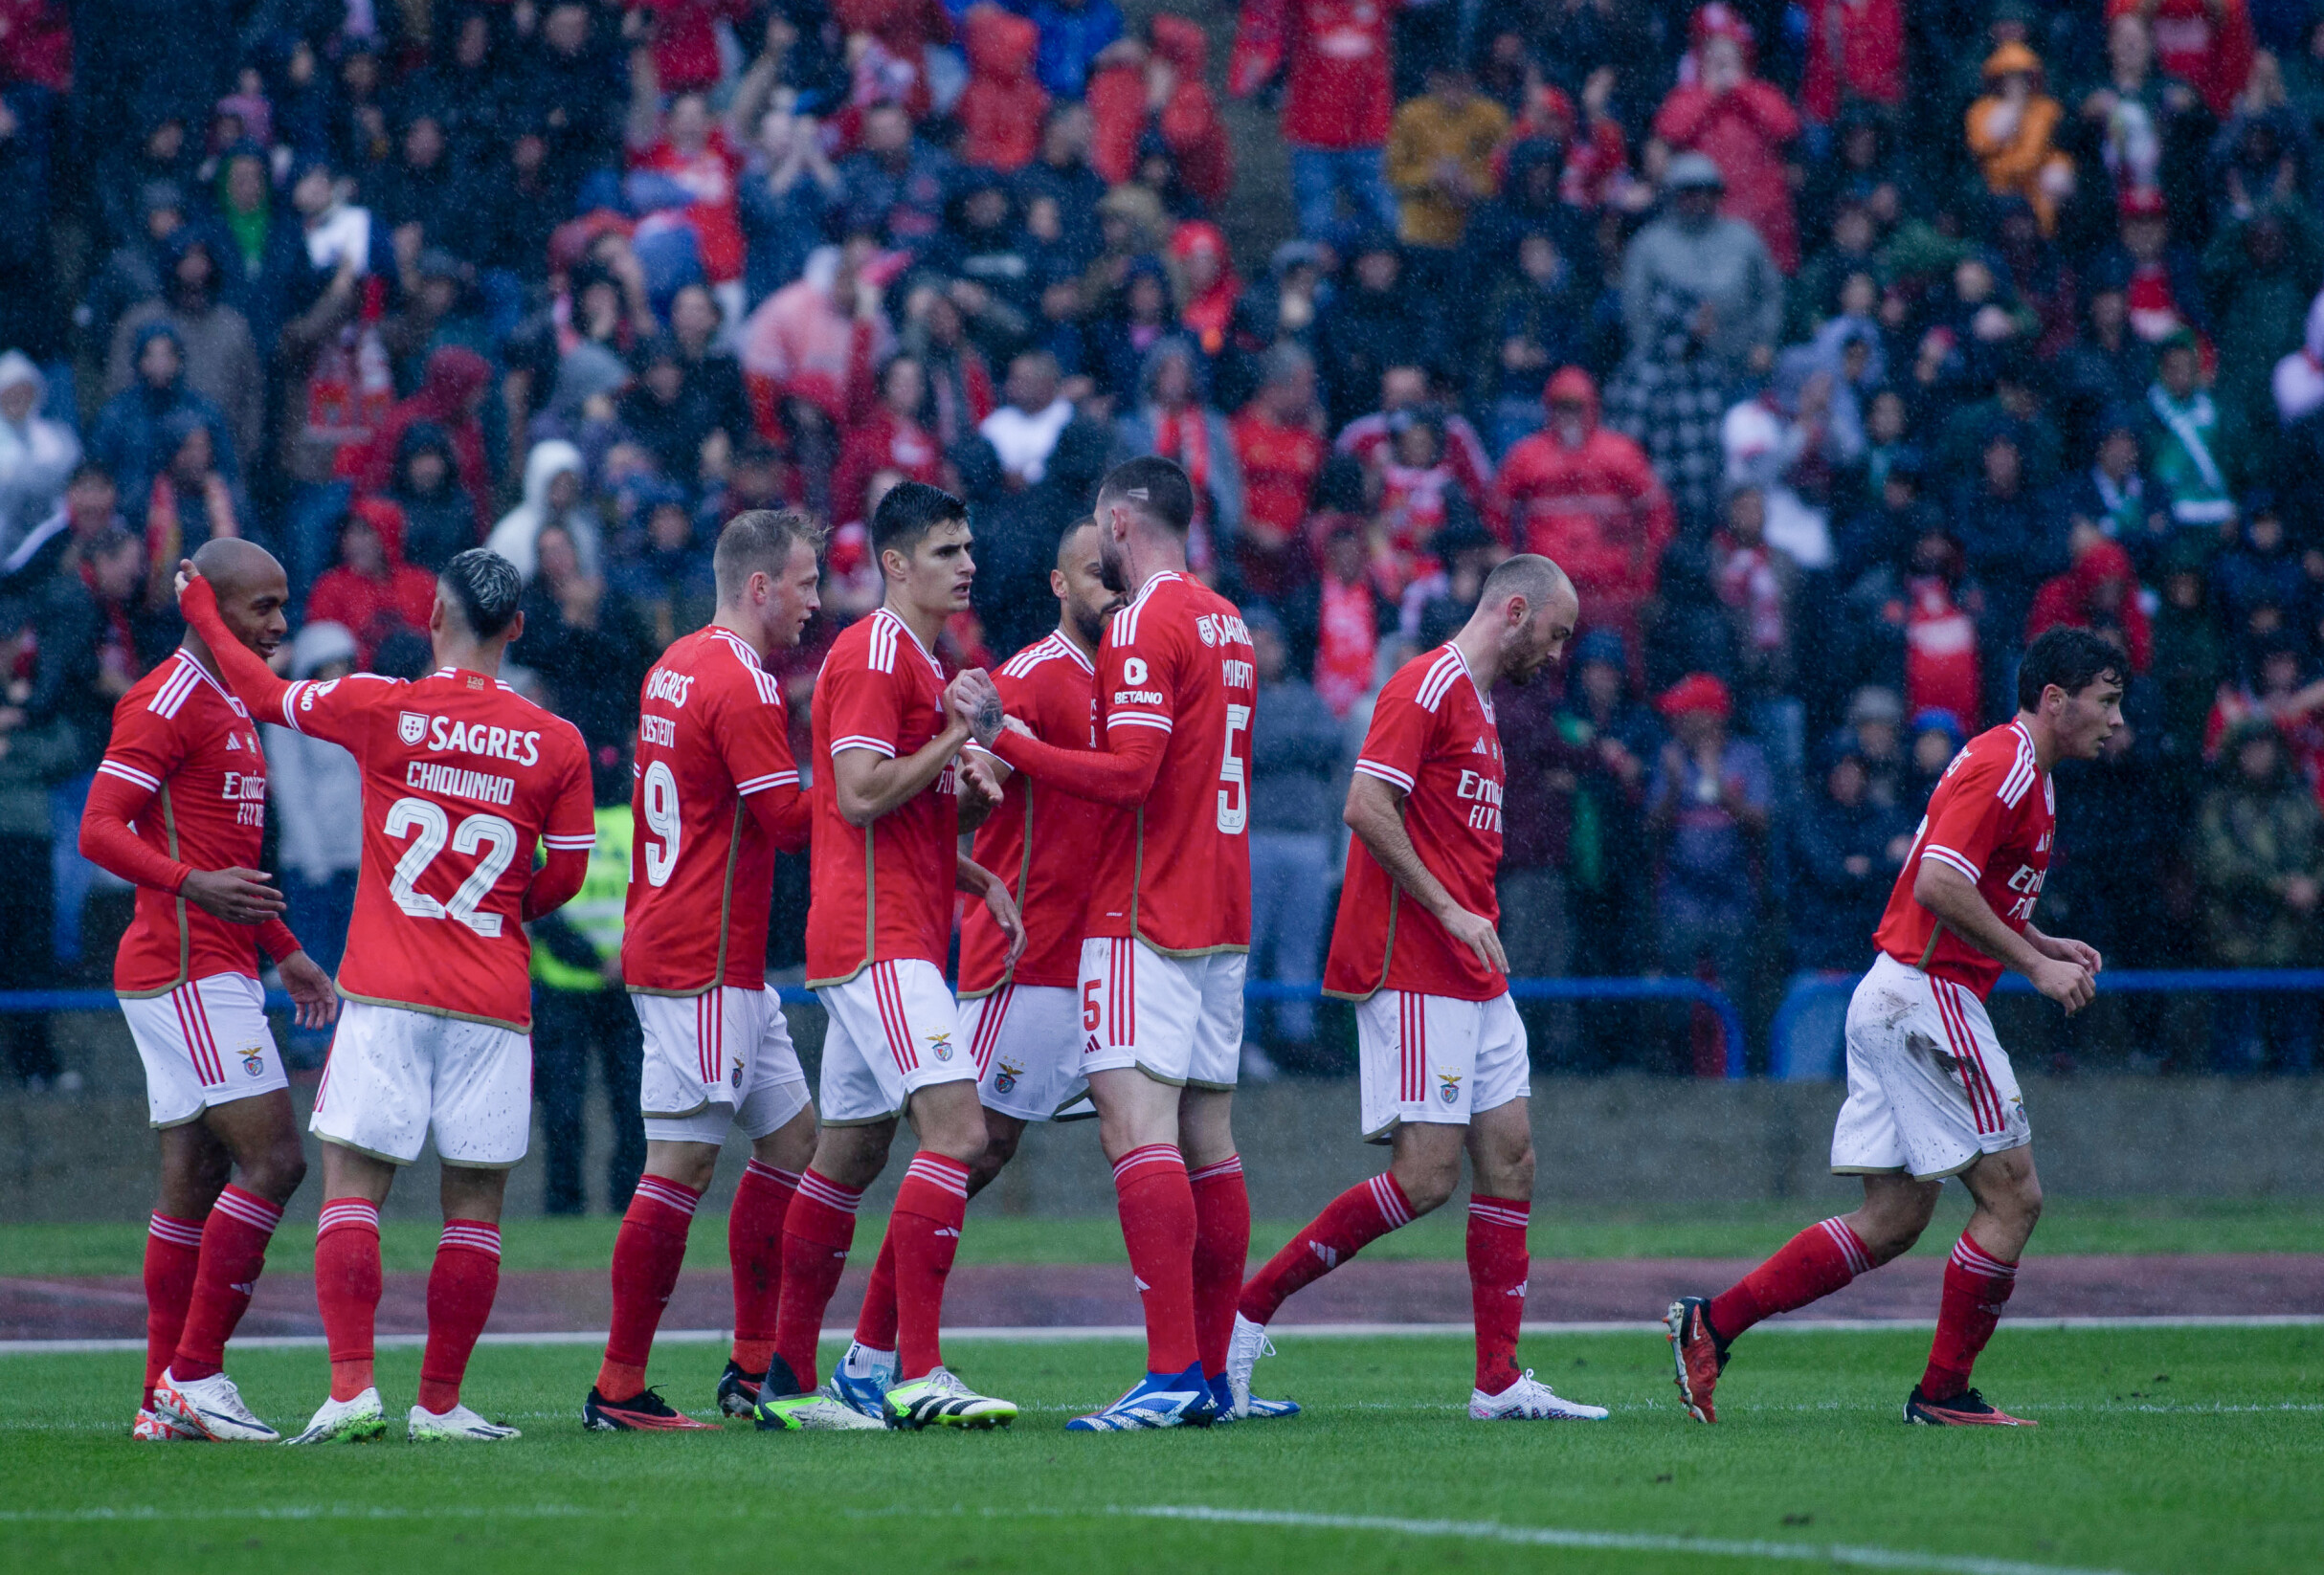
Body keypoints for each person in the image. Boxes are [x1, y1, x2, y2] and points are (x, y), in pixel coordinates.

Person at [175, 543, 596, 1446]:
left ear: (434, 619)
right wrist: (497, 908)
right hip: (492, 996)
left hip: (389, 986)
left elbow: (259, 693)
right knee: (475, 1205)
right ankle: (440, 1404)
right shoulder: (556, 742)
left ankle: (353, 1388)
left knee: (354, 1189)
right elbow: (562, 880)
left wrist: (202, 608)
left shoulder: (382, 706)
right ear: (517, 628)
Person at [1667, 628, 2128, 1428]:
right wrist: (2034, 965)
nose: (2117, 720)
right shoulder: (2007, 765)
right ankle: (1943, 1394)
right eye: (2108, 700)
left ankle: (1712, 1325)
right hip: (1927, 997)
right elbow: (1943, 881)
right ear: (2056, 699)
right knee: (2014, 1197)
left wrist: (2042, 940)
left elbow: (1956, 882)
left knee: (1893, 1220)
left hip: (1897, 992)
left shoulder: (2025, 773)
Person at [1229, 554, 1607, 1424]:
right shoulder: (1423, 686)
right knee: (1426, 1178)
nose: (1557, 654)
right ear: (1514, 611)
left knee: (1512, 1160)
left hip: (1474, 967)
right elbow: (1365, 805)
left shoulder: (1478, 705)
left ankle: (1499, 1380)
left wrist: (1476, 918)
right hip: (1415, 962)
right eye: (1554, 634)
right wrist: (1450, 909)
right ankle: (1248, 1314)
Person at [982, 456, 1259, 1429]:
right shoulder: (1229, 621)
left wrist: (1008, 741)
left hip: (1146, 907)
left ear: (1117, 519)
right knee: (1208, 1143)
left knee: (1134, 1133)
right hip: (1222, 909)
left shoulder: (1145, 620)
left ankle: (1172, 1372)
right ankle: (1215, 1376)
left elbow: (1132, 774)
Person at [584, 509, 868, 1431]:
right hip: (698, 956)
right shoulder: (741, 681)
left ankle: (754, 1368)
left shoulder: (677, 661)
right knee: (681, 1166)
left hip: (716, 953)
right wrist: (886, 785)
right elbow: (788, 822)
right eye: (807, 583)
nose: (816, 602)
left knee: (792, 1146)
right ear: (760, 587)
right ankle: (618, 1387)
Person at [763, 480, 1025, 1431]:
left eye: (968, 548)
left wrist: (967, 841)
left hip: (884, 927)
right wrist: (960, 732)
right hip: (877, 940)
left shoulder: (913, 657)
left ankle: (788, 1381)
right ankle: (917, 1371)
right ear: (895, 562)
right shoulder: (878, 651)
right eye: (948, 550)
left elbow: (881, 817)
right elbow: (861, 791)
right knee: (959, 1133)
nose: (966, 565)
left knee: (850, 1154)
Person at [78, 539, 339, 1443]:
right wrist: (191, 889)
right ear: (211, 607)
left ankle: (161, 1399)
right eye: (262, 607)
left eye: (282, 605)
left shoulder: (231, 699)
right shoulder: (166, 698)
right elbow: (98, 831)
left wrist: (287, 951)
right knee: (278, 1161)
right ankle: (197, 1376)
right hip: (184, 967)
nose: (279, 624)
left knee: (194, 1182)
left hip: (216, 962)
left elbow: (228, 864)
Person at [528, 750, 646, 1219]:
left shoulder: (633, 824)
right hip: (566, 992)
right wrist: (604, 961)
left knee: (633, 1110)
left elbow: (653, 894)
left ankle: (629, 1208)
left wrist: (621, 960)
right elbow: (540, 906)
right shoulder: (546, 831)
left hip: (621, 992)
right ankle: (564, 1210)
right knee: (563, 1111)